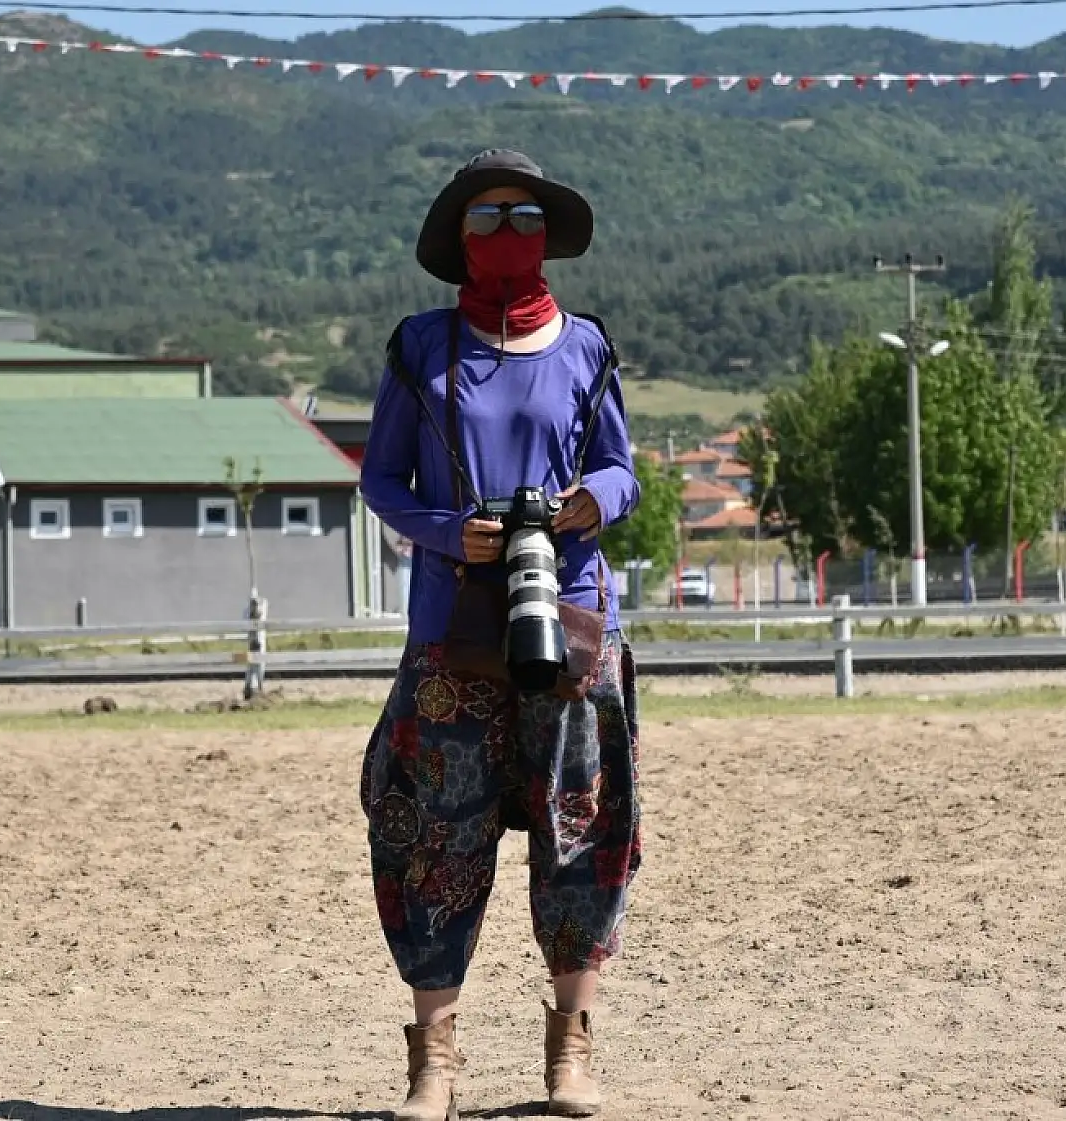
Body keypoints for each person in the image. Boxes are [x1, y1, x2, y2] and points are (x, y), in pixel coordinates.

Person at [357, 149, 643, 1120]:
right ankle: (431, 1063)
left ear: (548, 232)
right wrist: (451, 529)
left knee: (581, 831)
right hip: (452, 627)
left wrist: (580, 506)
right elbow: (379, 479)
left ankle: (571, 1053)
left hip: (570, 615)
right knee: (435, 834)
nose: (507, 233)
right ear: (458, 240)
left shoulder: (587, 347)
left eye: (523, 215)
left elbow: (622, 471)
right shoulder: (418, 345)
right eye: (485, 219)